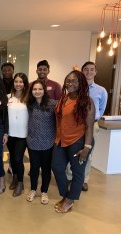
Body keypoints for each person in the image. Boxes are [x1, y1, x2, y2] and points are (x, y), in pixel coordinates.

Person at [52, 70, 95, 213]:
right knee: (57, 168)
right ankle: (66, 196)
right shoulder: (63, 99)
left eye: (74, 81)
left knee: (77, 173)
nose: (69, 83)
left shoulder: (86, 101)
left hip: (79, 142)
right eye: (68, 81)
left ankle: (70, 201)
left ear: (80, 83)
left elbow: (89, 127)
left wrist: (87, 148)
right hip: (61, 141)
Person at [66, 61, 108, 192]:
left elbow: (101, 108)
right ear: (82, 72)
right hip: (75, 126)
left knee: (87, 153)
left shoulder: (101, 91)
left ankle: (84, 180)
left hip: (92, 125)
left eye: (91, 69)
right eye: (86, 70)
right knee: (71, 151)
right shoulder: (75, 88)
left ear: (95, 72)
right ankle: (70, 177)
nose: (89, 72)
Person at [26, 80, 56, 204]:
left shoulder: (52, 104)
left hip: (48, 142)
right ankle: (33, 189)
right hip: (33, 142)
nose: (37, 91)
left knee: (46, 169)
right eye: (34, 89)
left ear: (44, 90)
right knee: (34, 169)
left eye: (40, 89)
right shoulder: (29, 105)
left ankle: (44, 191)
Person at [6, 73, 29, 196]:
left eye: (21, 82)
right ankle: (15, 177)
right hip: (10, 134)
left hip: (23, 134)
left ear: (25, 84)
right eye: (16, 81)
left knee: (18, 158)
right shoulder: (8, 97)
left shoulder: (28, 98)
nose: (18, 84)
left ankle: (20, 182)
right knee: (12, 158)